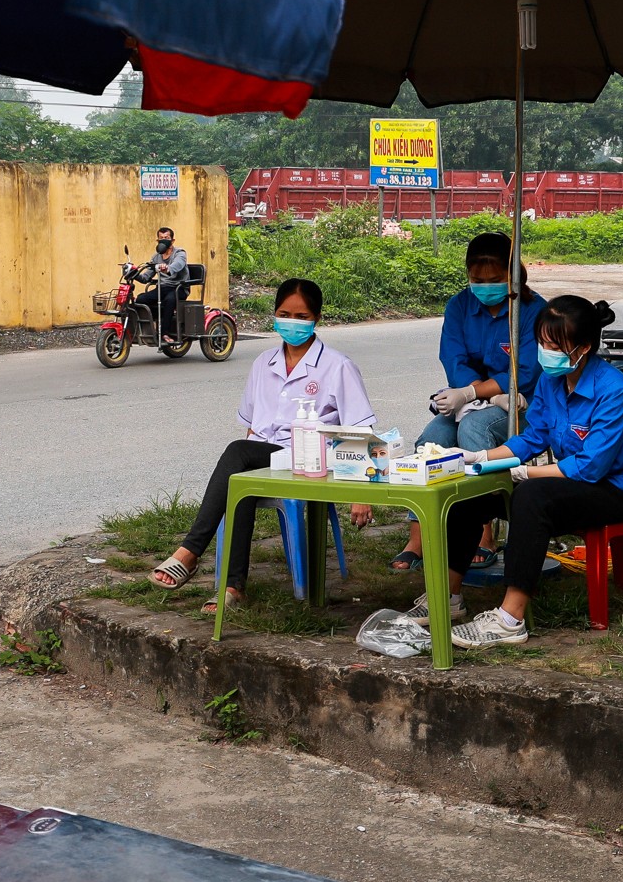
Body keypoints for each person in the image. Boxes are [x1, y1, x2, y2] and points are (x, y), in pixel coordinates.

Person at [427, 296, 623, 647]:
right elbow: (532, 438)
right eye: (542, 344)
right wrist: (478, 458)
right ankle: (448, 597)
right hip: (573, 482)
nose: (546, 352)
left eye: (555, 346)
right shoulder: (552, 381)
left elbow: (590, 467)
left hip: (619, 490)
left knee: (531, 497)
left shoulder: (613, 391)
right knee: (473, 492)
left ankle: (509, 619)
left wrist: (525, 475)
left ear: (585, 347)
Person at [147, 278, 376, 612]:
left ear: (317, 318)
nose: (292, 322)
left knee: (237, 452)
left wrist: (360, 492)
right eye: (284, 313)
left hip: (313, 462)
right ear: (274, 314)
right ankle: (232, 588)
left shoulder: (337, 366)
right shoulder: (263, 364)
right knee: (238, 477)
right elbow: (254, 426)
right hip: (267, 457)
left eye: (301, 316)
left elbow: (361, 429)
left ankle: (190, 551)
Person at [390, 233, 546, 573]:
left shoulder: (532, 310)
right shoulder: (459, 305)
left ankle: (483, 533)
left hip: (521, 403)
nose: (485, 286)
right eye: (478, 280)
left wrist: (481, 394)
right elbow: (454, 359)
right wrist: (471, 394)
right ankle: (418, 537)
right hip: (469, 397)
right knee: (430, 441)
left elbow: (527, 370)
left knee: (474, 430)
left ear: (513, 275)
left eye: (494, 280)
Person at [138, 226, 189, 341]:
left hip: (179, 288)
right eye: (161, 238)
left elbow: (178, 265)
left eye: (167, 238)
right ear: (158, 241)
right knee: (141, 299)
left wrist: (168, 268)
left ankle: (164, 333)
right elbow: (146, 277)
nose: (164, 240)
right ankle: (153, 324)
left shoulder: (180, 253)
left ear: (172, 240)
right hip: (162, 288)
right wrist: (134, 273)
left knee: (169, 300)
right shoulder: (156, 257)